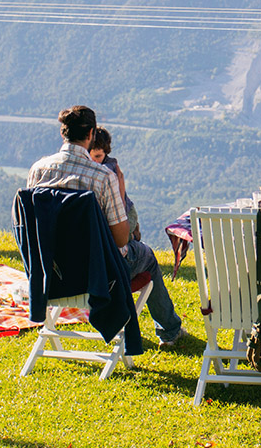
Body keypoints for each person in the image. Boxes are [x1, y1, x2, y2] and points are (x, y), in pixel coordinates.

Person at [27, 106, 187, 348]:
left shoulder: (38, 170)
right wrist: (121, 193)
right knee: (147, 255)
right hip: (98, 274)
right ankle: (170, 330)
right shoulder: (101, 177)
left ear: (63, 133)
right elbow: (121, 240)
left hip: (52, 272)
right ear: (91, 134)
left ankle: (167, 328)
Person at [88, 126, 141, 241]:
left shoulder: (109, 167)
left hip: (127, 213)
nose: (94, 161)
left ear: (105, 153)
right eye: (90, 157)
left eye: (98, 156)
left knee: (114, 239)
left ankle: (133, 235)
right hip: (111, 213)